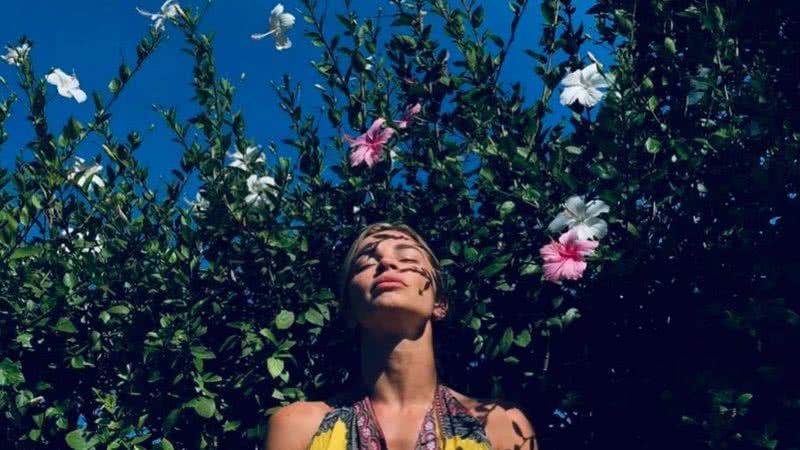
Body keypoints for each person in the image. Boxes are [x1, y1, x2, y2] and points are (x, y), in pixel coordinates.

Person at [264, 222, 538, 450]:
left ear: (439, 303)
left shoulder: (501, 425)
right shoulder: (299, 427)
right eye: (365, 262)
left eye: (407, 258)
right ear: (348, 309)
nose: (386, 262)